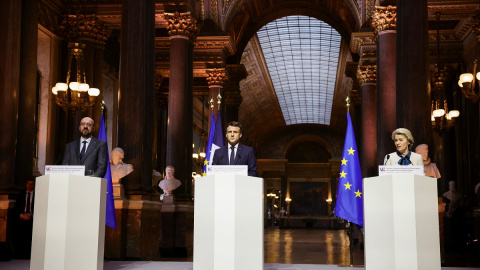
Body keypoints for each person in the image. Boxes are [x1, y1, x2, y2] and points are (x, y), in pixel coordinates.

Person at [12, 179, 35, 259]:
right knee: (20, 237)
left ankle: (29, 255)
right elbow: (16, 208)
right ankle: (19, 255)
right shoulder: (21, 195)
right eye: (28, 184)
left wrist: (31, 215)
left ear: (34, 185)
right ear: (26, 184)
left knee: (30, 238)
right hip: (21, 219)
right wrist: (22, 215)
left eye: (32, 184)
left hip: (32, 220)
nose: (30, 185)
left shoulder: (37, 195)